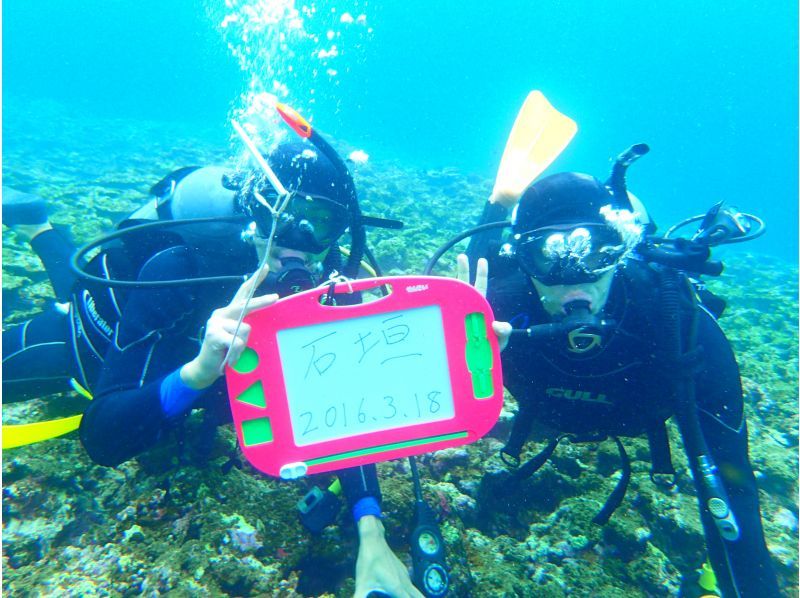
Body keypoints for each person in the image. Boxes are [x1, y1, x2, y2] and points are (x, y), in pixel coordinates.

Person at [2, 141, 423, 598]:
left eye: (324, 223)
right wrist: (198, 373)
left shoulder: (327, 279)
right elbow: (102, 438)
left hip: (178, 379)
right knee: (71, 308)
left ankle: (39, 224)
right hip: (101, 341)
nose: (301, 243)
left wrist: (371, 531)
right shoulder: (182, 267)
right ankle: (40, 228)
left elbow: (342, 403)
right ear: (259, 208)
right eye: (289, 215)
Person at [463, 152, 780, 597]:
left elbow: (734, 489)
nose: (572, 281)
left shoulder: (679, 326)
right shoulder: (492, 311)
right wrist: (459, 353)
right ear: (522, 260)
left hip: (635, 413)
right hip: (556, 415)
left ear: (624, 248)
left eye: (597, 250)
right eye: (546, 256)